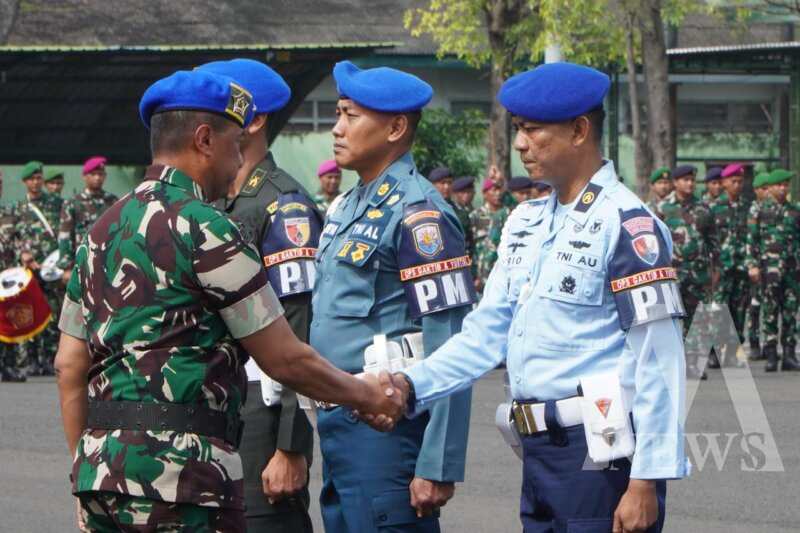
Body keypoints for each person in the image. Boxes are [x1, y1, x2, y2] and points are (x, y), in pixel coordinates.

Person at [54, 69, 403, 532]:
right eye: (234, 143)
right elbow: (284, 358)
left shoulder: (99, 232)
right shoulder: (208, 229)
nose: (239, 158)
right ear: (204, 139)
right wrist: (366, 394)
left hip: (102, 478)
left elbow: (68, 366)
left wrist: (87, 469)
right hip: (183, 481)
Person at [384, 62, 688, 533]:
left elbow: (660, 358)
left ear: (580, 130)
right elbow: (487, 334)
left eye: (532, 130)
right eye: (518, 130)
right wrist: (409, 385)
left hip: (601, 455)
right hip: (537, 452)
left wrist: (646, 479)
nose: (521, 144)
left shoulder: (628, 225)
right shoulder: (527, 221)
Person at [310, 61, 474, 533]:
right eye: (338, 114)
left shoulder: (419, 213)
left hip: (387, 426)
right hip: (341, 422)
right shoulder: (348, 206)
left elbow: (450, 343)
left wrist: (438, 462)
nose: (337, 129)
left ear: (396, 127)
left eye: (350, 116)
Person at [198, 58, 317, 532]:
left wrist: (290, 446)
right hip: (213, 408)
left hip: (262, 409)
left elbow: (300, 328)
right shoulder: (209, 202)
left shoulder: (282, 204)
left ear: (257, 118)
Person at [656, 165, 718, 379]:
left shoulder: (703, 208)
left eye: (692, 180)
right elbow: (654, 243)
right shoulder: (663, 208)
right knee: (671, 320)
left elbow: (713, 241)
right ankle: (673, 364)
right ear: (675, 182)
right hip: (672, 273)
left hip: (698, 274)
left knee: (698, 319)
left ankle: (693, 364)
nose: (689, 183)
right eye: (684, 180)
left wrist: (715, 270)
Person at [6, 160, 63, 375]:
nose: (36, 182)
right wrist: (24, 255)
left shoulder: (56, 204)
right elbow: (14, 236)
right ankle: (29, 360)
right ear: (24, 182)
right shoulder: (18, 208)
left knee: (52, 313)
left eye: (39, 178)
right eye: (32, 179)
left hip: (51, 268)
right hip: (27, 270)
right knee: (28, 313)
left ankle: (47, 359)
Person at [746, 168, 800, 372]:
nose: (783, 188)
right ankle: (770, 354)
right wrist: (752, 264)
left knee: (790, 311)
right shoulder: (759, 210)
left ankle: (789, 354)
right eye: (780, 185)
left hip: (793, 270)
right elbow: (752, 239)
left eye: (786, 185)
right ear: (772, 187)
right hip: (769, 270)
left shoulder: (795, 210)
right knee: (770, 310)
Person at [710, 163, 750, 368]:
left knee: (739, 311)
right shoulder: (714, 208)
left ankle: (733, 352)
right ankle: (714, 352)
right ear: (724, 183)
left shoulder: (747, 208)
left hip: (741, 269)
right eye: (733, 181)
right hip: (721, 270)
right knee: (717, 310)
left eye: (740, 181)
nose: (737, 185)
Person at [56, 155, 118, 277]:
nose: (97, 178)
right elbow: (65, 236)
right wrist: (66, 267)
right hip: (82, 263)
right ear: (84, 176)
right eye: (93, 174)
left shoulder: (113, 201)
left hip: (108, 263)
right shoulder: (72, 203)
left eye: (101, 174)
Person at [0, 169, 27, 382]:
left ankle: (8, 366)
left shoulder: (9, 213)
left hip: (7, 277)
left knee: (9, 323)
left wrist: (23, 263)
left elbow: (20, 243)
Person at [746, 172, 771, 361]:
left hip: (773, 267)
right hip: (758, 266)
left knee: (769, 306)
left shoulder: (773, 209)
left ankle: (769, 344)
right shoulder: (755, 210)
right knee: (754, 306)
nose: (768, 191)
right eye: (764, 188)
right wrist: (753, 265)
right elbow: (751, 241)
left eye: (769, 187)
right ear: (756, 191)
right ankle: (754, 343)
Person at [471, 178, 510, 294]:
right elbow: (471, 247)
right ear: (484, 193)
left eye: (499, 190)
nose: (497, 194)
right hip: (481, 272)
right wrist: (473, 275)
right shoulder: (475, 216)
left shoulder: (507, 213)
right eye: (493, 190)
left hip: (501, 270)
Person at [451, 176, 476, 268]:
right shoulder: (452, 212)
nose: (466, 195)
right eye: (463, 192)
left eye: (469, 192)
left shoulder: (476, 212)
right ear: (455, 194)